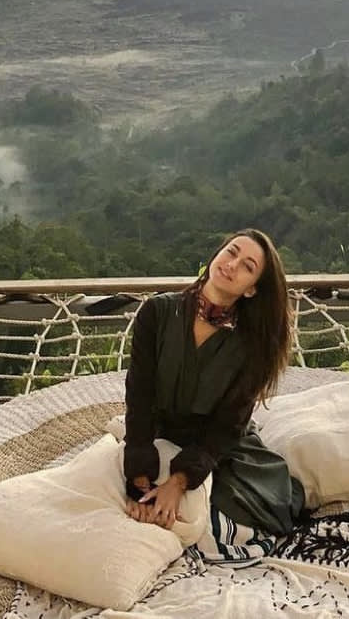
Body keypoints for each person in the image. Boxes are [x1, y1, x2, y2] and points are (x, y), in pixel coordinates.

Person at [122, 228, 305, 535]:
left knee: (254, 505)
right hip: (155, 434)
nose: (232, 265)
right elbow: (139, 394)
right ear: (216, 255)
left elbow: (228, 425)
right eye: (231, 252)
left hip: (215, 445)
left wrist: (179, 482)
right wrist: (138, 479)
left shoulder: (254, 344)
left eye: (247, 266)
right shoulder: (157, 312)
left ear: (251, 289)